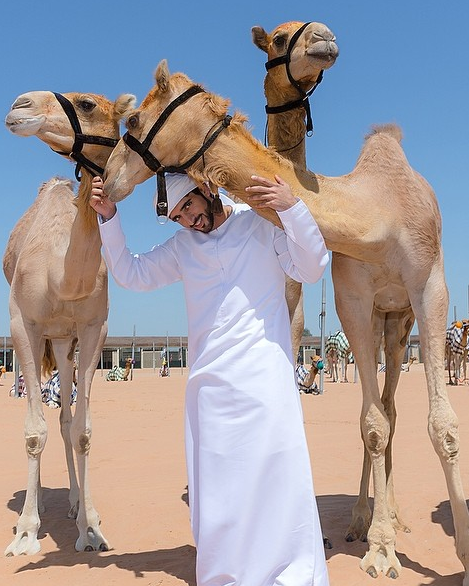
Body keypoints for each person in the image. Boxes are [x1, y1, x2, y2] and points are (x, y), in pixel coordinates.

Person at [90, 173, 330, 586]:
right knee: (220, 495)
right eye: (178, 216)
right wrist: (109, 218)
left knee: (279, 481)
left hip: (265, 381)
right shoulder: (183, 248)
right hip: (210, 389)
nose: (187, 220)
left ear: (209, 190)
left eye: (189, 207)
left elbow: (313, 266)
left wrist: (291, 208)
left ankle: (289, 575)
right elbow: (131, 273)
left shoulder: (260, 224)